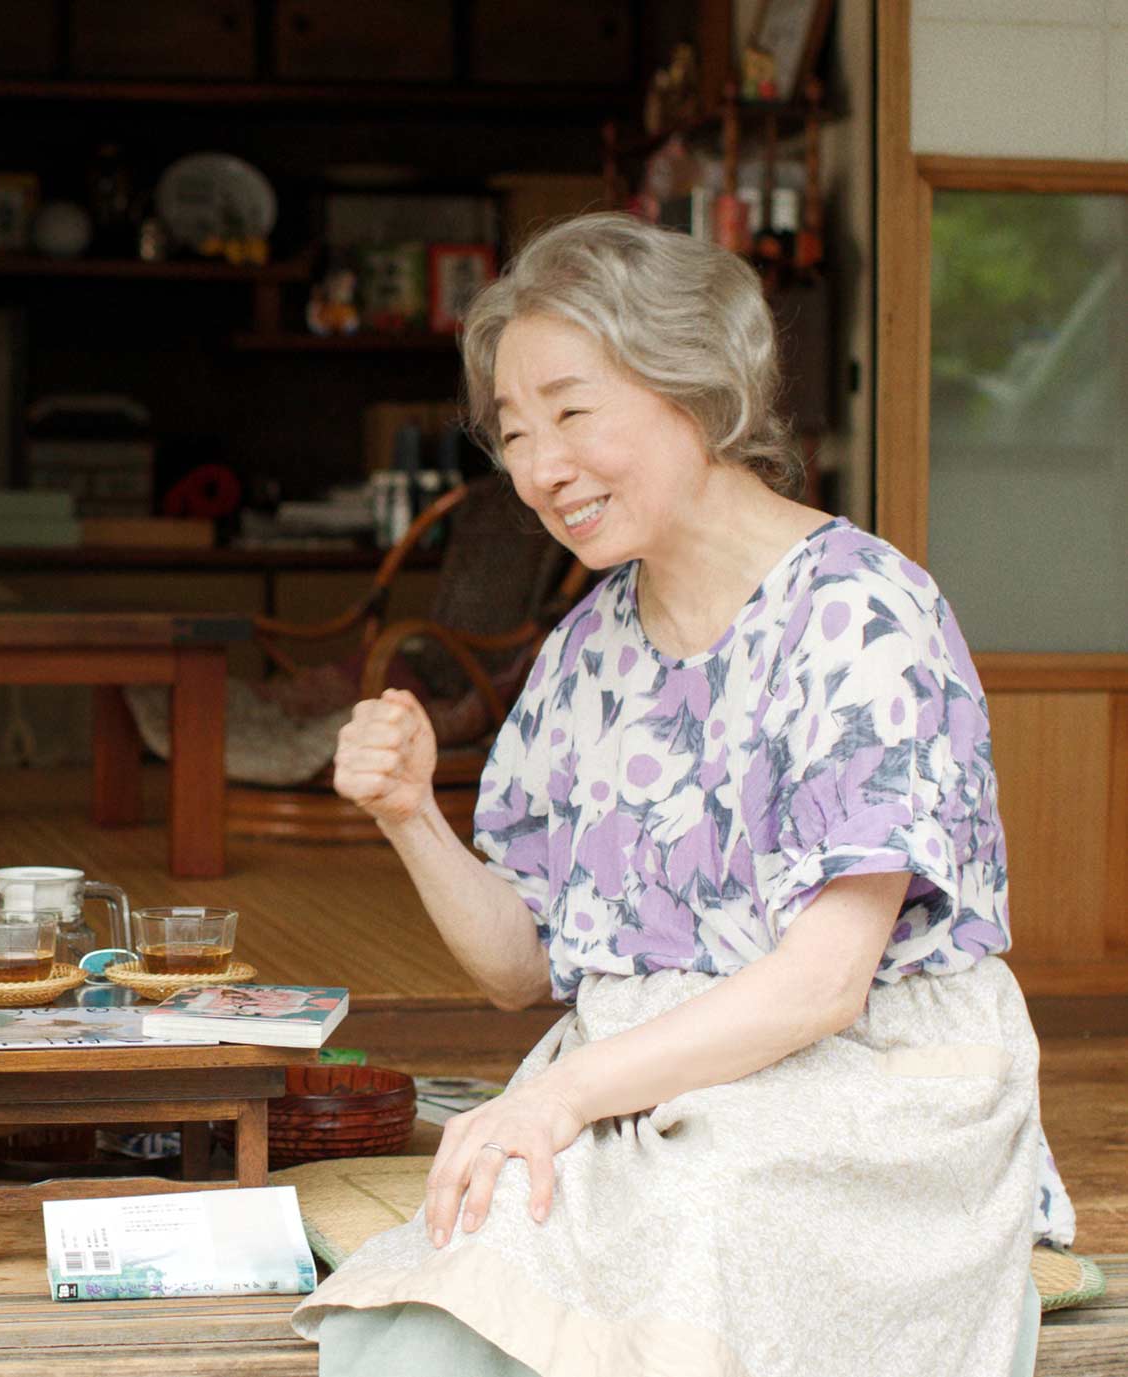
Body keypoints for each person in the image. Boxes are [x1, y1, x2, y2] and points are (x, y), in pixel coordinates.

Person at [294, 213, 1072, 1377]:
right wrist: (410, 814)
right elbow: (520, 966)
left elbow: (822, 983)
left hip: (863, 1080)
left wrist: (561, 1102)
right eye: (513, 432)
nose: (541, 466)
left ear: (698, 388)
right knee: (465, 1265)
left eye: (571, 410)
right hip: (642, 1084)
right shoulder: (586, 648)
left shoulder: (864, 615)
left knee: (702, 1217)